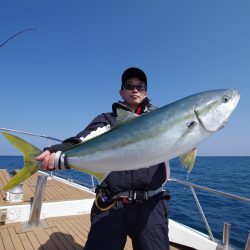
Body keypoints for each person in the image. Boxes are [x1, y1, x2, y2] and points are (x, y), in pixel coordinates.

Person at [36, 67, 170, 250]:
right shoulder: (108, 120)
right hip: (112, 204)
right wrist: (56, 150)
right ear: (121, 91)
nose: (135, 89)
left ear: (145, 91)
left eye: (140, 86)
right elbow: (82, 139)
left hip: (152, 204)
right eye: (129, 85)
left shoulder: (161, 118)